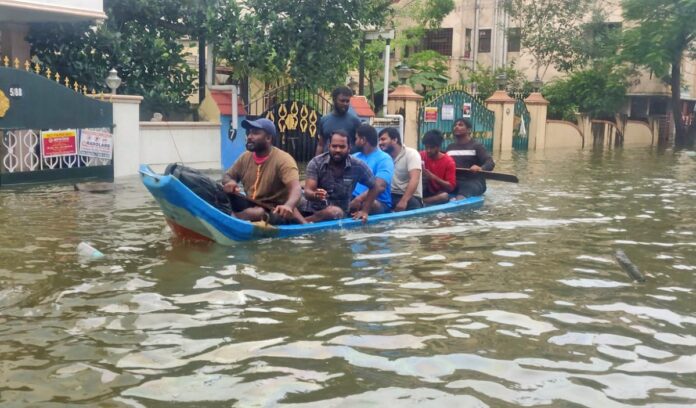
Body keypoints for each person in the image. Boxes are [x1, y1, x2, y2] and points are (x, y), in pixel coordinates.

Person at [222, 118, 304, 224]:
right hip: (251, 203)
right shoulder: (244, 157)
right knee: (223, 195)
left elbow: (296, 189)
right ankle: (239, 216)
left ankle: (238, 217)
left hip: (274, 209)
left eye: (255, 133)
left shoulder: (284, 159)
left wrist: (288, 206)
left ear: (268, 138)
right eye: (249, 133)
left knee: (267, 214)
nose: (250, 137)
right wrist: (230, 183)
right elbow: (227, 176)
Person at [303, 130, 381, 223]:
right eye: (334, 146)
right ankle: (304, 222)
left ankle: (303, 222)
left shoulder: (357, 165)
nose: (337, 150)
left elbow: (375, 186)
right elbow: (308, 191)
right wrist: (315, 194)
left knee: (376, 206)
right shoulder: (316, 163)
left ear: (349, 148)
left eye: (342, 147)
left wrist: (365, 211)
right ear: (329, 147)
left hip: (341, 213)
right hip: (313, 211)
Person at [446, 117, 495, 198]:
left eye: (460, 125)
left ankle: (460, 201)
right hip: (455, 181)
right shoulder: (450, 148)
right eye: (455, 125)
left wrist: (481, 168)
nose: (456, 127)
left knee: (465, 190)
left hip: (474, 182)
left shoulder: (477, 146)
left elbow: (490, 162)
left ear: (468, 130)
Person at [350, 124, 393, 214]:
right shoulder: (354, 157)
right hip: (353, 199)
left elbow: (380, 186)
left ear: (363, 140)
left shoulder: (384, 159)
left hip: (377, 202)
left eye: (356, 138)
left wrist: (358, 199)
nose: (355, 142)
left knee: (370, 204)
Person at [378, 127, 423, 211]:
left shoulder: (411, 154)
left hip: (409, 197)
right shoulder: (383, 157)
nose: (380, 143)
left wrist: (404, 201)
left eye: (383, 139)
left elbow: (414, 179)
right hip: (389, 195)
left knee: (412, 203)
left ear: (395, 140)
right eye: (379, 140)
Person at [314, 86, 362, 156]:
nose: (345, 103)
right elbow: (321, 144)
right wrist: (316, 163)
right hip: (328, 163)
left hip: (348, 164)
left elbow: (361, 144)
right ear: (334, 100)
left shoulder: (355, 121)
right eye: (342, 101)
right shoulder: (324, 120)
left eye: (347, 101)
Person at [420, 129, 456, 205]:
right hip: (423, 190)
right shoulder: (421, 155)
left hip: (438, 193)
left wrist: (433, 177)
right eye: (426, 147)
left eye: (431, 147)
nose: (428, 150)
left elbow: (451, 186)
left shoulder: (449, 162)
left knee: (444, 196)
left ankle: (423, 201)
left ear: (439, 147)